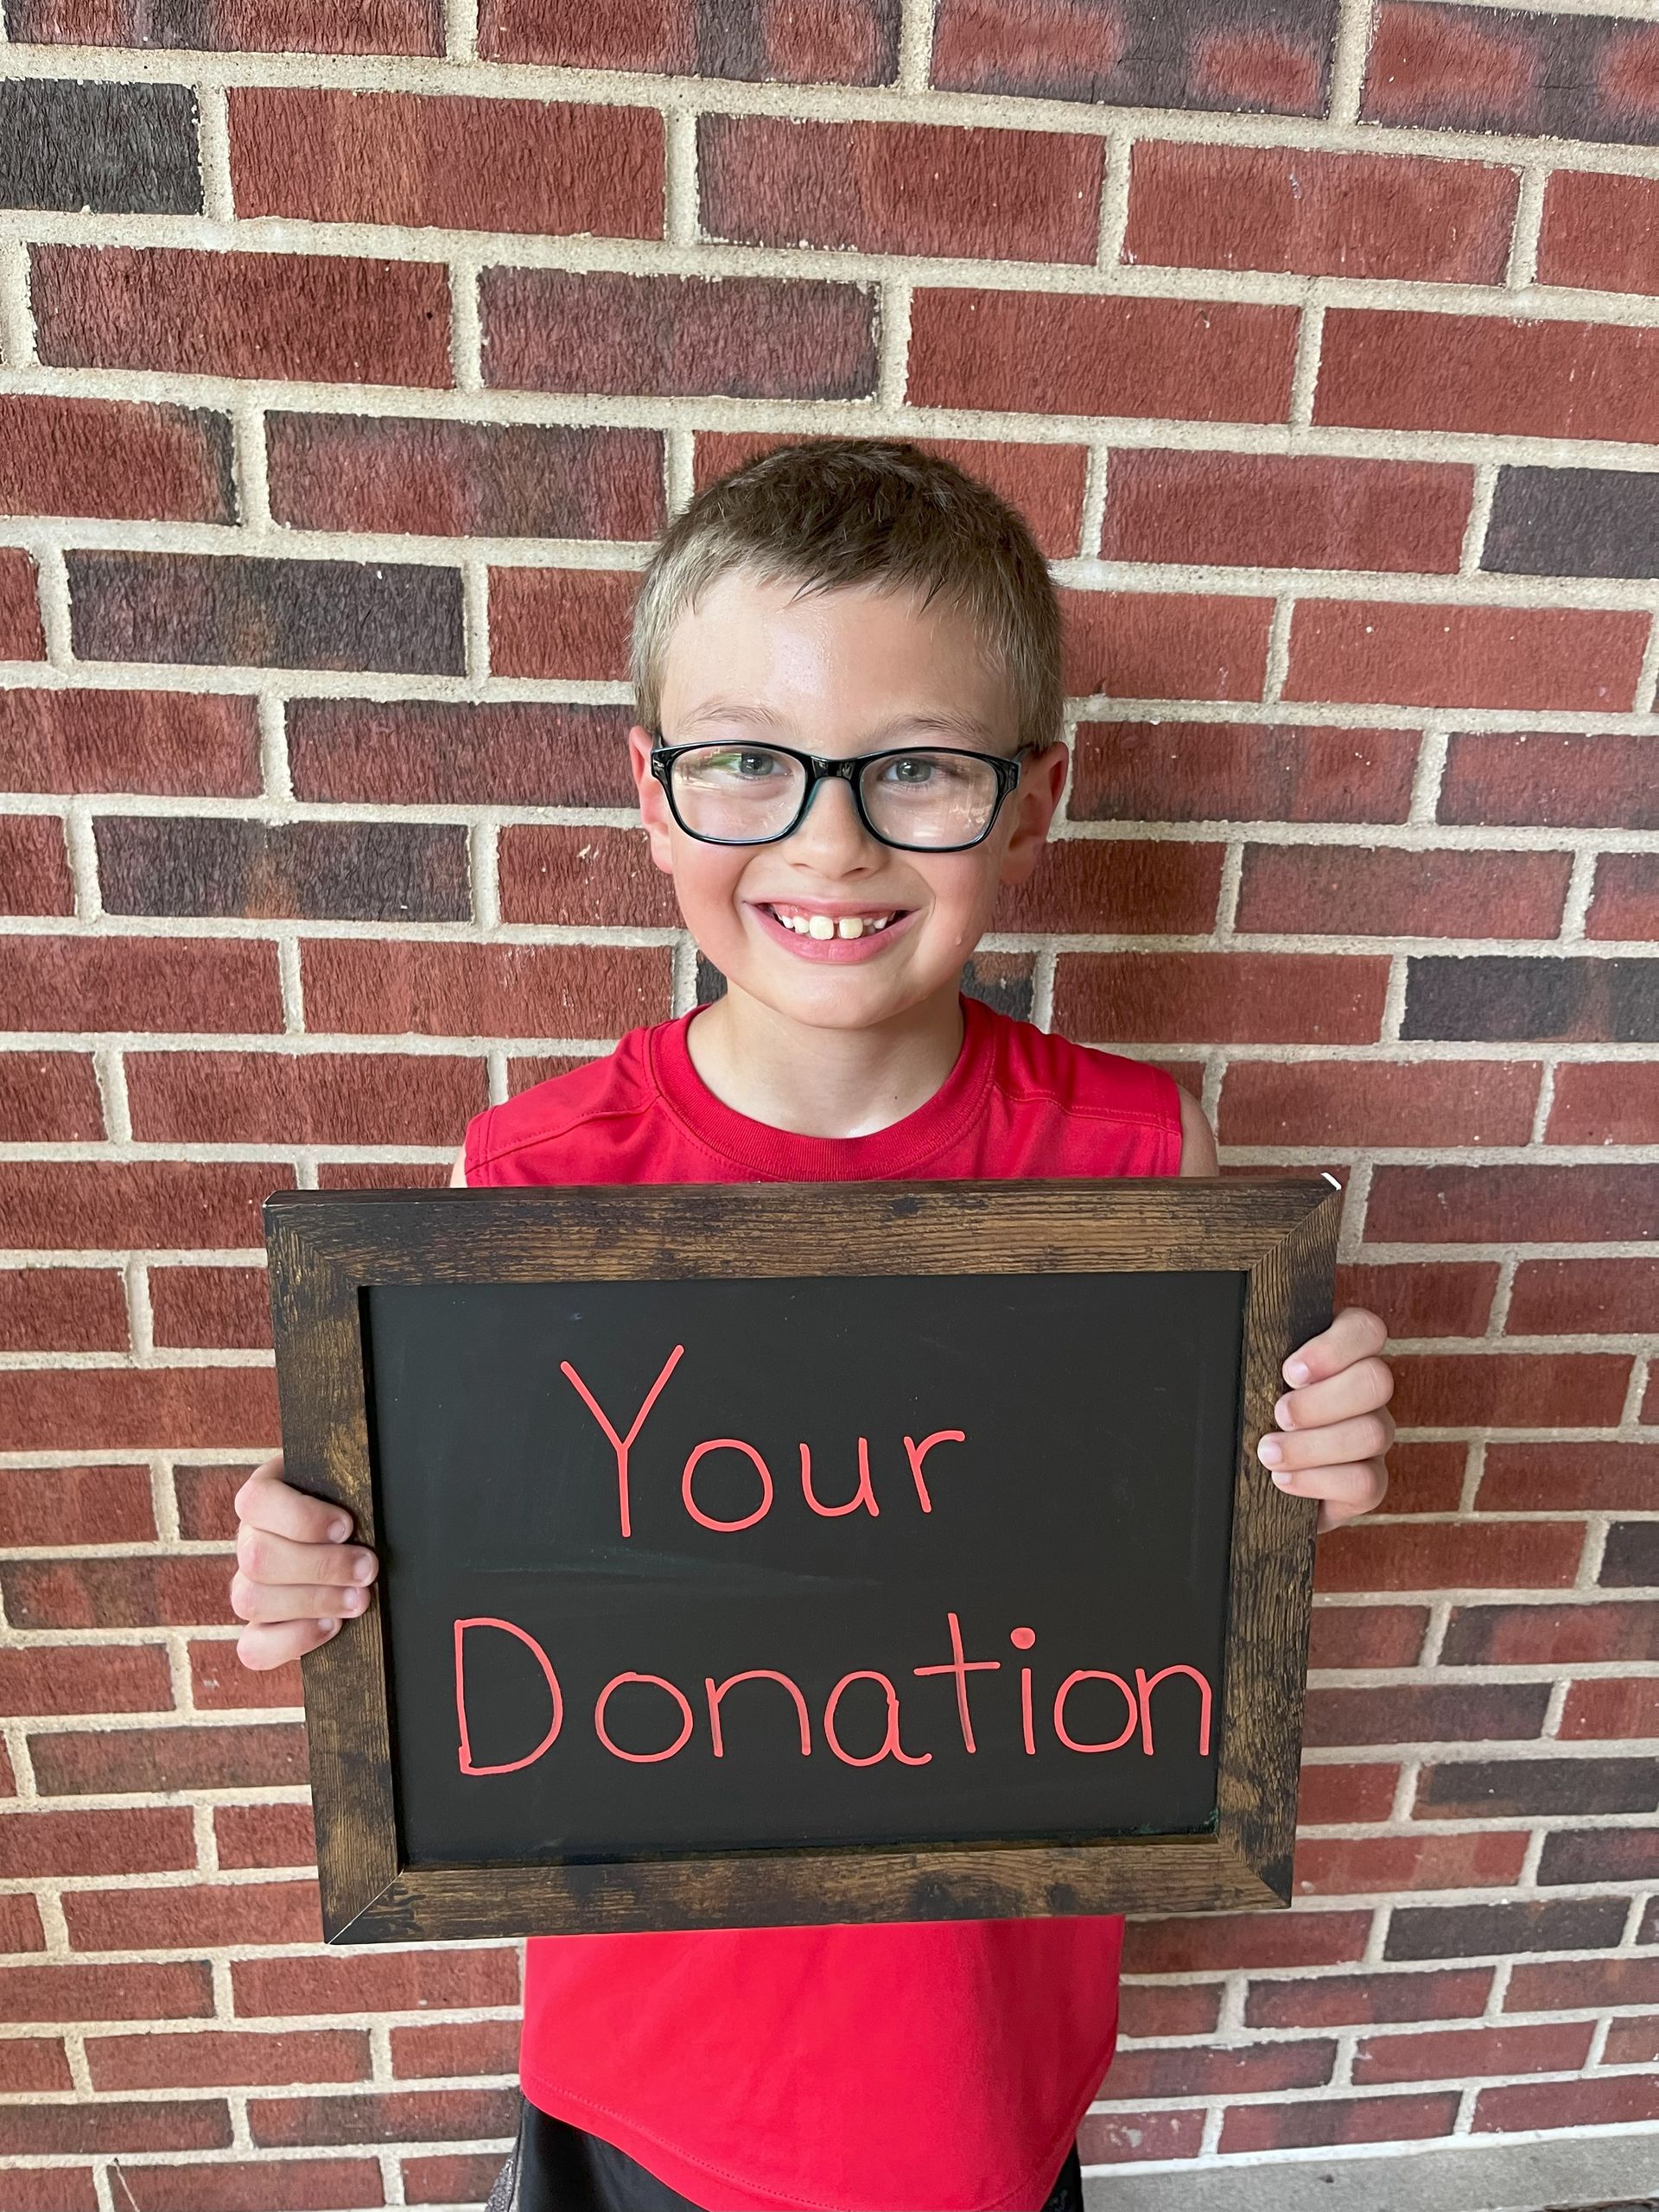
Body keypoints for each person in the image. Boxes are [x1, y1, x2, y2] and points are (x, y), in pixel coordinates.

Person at [231, 441, 1395, 2212]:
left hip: (977, 2061)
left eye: (914, 766)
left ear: (1030, 800)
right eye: (749, 762)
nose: (828, 838)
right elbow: (442, 1600)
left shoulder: (1142, 1163)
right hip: (659, 2057)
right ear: (652, 793)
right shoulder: (526, 1182)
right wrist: (321, 1576)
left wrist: (1300, 1473)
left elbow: (1186, 1581)